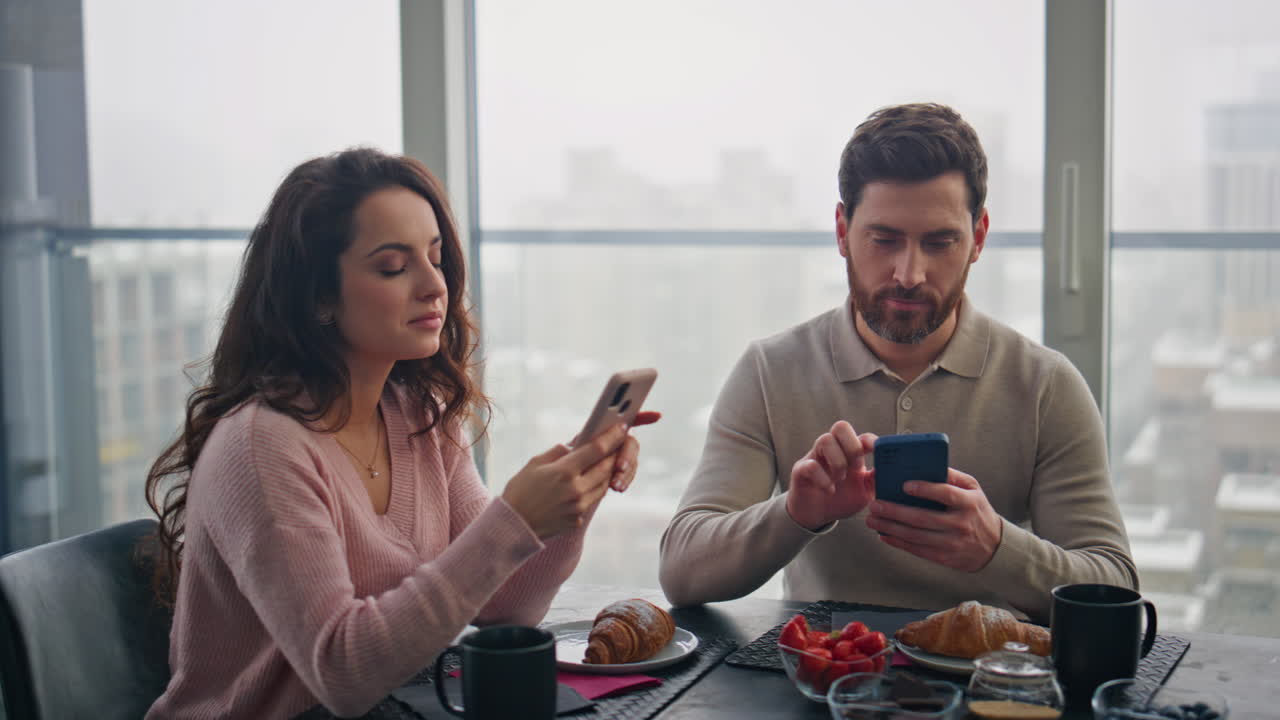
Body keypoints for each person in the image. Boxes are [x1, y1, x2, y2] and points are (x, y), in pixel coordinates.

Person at [144, 148, 658, 719]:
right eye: (393, 266)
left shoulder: (420, 414)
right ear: (317, 296)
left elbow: (505, 610)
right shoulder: (262, 447)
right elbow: (341, 670)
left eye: (435, 258)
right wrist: (515, 518)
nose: (434, 286)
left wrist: (568, 503)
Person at [658, 103, 1135, 623]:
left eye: (939, 242)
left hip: (985, 685)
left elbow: (1115, 588)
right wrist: (796, 513)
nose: (909, 273)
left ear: (978, 238)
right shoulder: (770, 371)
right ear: (842, 231)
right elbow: (682, 571)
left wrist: (997, 547)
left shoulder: (1045, 385)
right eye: (884, 240)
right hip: (818, 677)